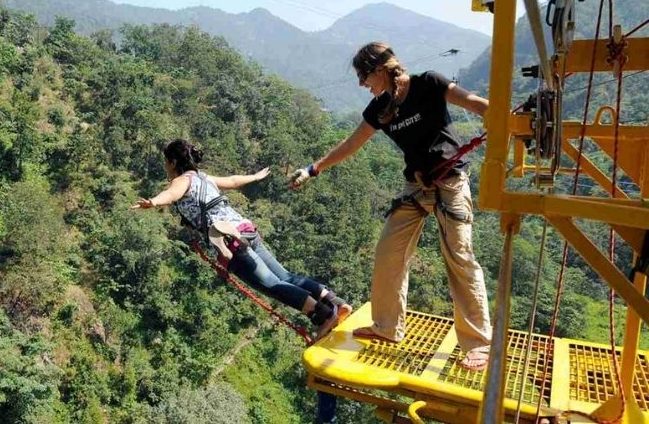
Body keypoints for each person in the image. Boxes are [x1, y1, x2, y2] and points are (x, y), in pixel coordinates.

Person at [289, 42, 492, 370]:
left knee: (459, 257)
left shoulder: (429, 83)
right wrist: (313, 169)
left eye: (363, 76)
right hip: (416, 185)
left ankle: (479, 342)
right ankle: (387, 327)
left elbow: (473, 102)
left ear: (380, 70)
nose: (361, 84)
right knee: (388, 253)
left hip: (449, 182)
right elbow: (351, 144)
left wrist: (500, 117)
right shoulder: (380, 109)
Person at [132, 139, 352, 339]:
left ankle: (322, 315)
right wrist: (254, 177)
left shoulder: (181, 181)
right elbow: (233, 181)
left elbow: (170, 195)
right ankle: (335, 302)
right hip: (245, 229)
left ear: (172, 162)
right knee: (285, 275)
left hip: (229, 239)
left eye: (166, 162)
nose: (165, 167)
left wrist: (153, 202)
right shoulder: (203, 177)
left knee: (272, 284)